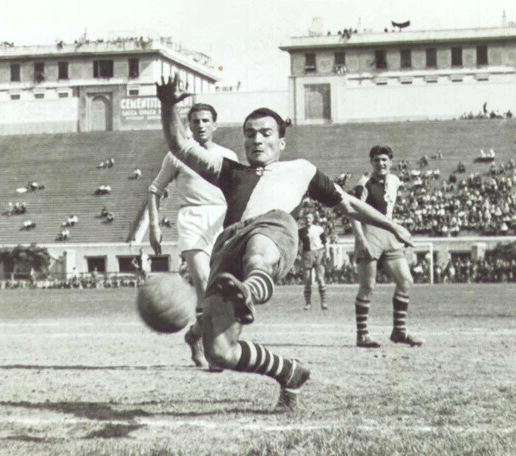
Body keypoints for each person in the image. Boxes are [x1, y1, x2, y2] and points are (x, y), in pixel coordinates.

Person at [156, 75, 413, 411]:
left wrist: (390, 224)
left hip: (274, 229)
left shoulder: (300, 170)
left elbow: (348, 203)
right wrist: (167, 106)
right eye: (249, 134)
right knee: (220, 351)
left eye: (266, 133)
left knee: (260, 249)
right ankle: (289, 372)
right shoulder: (229, 171)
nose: (256, 140)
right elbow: (180, 147)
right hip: (229, 246)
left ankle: (249, 289)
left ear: (281, 142)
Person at [147, 102, 238, 370]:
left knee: (221, 290)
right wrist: (154, 225)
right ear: (189, 125)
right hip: (192, 218)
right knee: (204, 282)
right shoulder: (177, 154)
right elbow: (155, 189)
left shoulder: (227, 155)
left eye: (205, 120)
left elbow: (236, 191)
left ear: (214, 125)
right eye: (195, 121)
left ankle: (195, 335)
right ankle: (213, 353)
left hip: (221, 219)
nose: (200, 125)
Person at [351, 145, 424, 349]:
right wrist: (360, 239)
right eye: (376, 160)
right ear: (371, 163)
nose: (381, 163)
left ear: (391, 162)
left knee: (406, 280)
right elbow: (353, 210)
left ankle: (399, 331)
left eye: (384, 160)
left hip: (389, 233)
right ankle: (362, 335)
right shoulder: (365, 183)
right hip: (370, 233)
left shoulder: (394, 181)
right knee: (368, 286)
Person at [298, 212, 328, 310]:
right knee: (307, 280)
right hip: (307, 254)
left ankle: (323, 303)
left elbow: (325, 242)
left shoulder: (318, 229)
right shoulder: (301, 231)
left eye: (310, 218)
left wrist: (326, 253)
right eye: (306, 218)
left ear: (313, 219)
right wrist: (298, 254)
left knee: (320, 279)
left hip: (318, 253)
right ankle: (308, 303)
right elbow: (299, 244)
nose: (308, 220)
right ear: (304, 220)